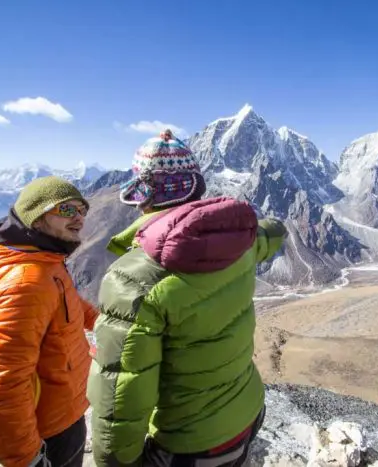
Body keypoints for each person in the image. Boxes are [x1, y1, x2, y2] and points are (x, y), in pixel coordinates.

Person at [88, 130, 287, 467]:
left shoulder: (133, 279)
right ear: (196, 186)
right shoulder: (242, 242)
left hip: (190, 444)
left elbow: (120, 393)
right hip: (248, 413)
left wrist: (116, 462)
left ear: (143, 197)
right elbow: (274, 233)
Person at [0, 176, 98, 467]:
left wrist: (101, 322)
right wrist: (26, 458)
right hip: (48, 429)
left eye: (82, 210)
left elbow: (65, 300)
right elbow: (3, 384)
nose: (79, 219)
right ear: (36, 220)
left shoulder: (44, 260)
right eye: (67, 210)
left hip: (62, 410)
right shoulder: (25, 282)